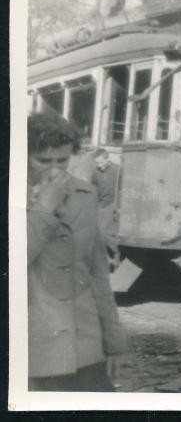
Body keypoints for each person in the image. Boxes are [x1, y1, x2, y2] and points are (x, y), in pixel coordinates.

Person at [27, 112, 127, 391]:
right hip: (33, 353)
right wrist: (43, 209)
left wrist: (114, 343)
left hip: (85, 347)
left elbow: (97, 274)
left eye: (62, 160)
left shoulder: (85, 195)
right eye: (43, 161)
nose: (55, 170)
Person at [91, 147, 121, 258]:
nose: (99, 165)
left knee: (102, 232)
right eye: (97, 163)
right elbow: (93, 188)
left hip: (111, 204)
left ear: (107, 159)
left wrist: (118, 206)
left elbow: (121, 188)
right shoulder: (95, 172)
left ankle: (117, 250)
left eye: (101, 162)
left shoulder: (116, 170)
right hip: (100, 204)